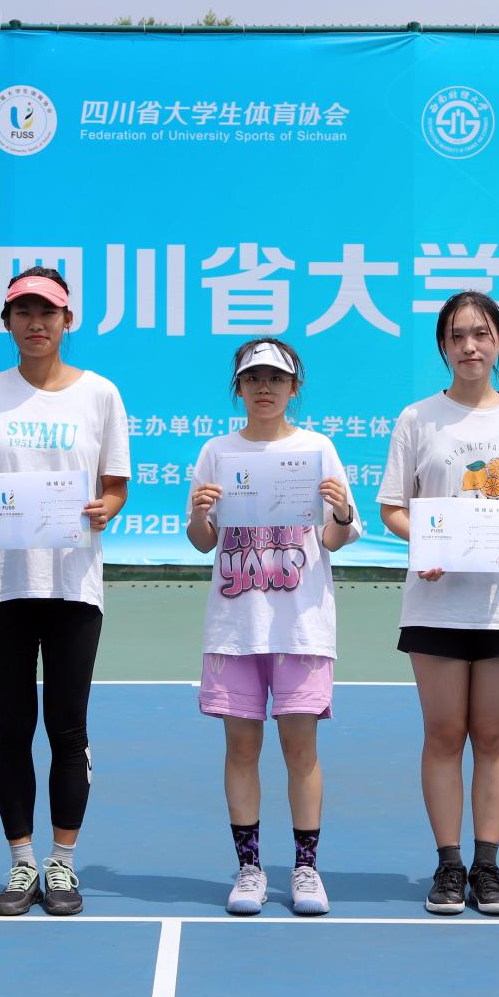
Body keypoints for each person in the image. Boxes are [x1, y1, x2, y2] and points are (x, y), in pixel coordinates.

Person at [0, 267, 131, 916]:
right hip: (4, 585)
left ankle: (63, 864)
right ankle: (22, 862)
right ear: (7, 322)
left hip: (74, 584)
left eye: (47, 312)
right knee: (13, 725)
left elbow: (115, 486)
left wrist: (105, 508)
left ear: (67, 320)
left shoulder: (100, 394)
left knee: (68, 727)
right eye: (22, 312)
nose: (35, 323)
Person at [378, 292, 499, 916]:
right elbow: (392, 506)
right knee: (445, 732)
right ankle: (449, 865)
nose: (469, 346)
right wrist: (424, 543)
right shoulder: (418, 418)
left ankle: (488, 865)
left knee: (495, 733)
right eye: (457, 336)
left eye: (481, 333)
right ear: (443, 347)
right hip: (435, 602)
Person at [185, 339, 359, 917]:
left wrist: (340, 511)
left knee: (300, 748)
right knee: (241, 747)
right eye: (253, 378)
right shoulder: (217, 452)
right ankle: (250, 868)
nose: (264, 388)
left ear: (293, 388)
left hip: (301, 626)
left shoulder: (317, 449)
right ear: (238, 388)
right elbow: (203, 542)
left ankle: (306, 869)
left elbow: (335, 538)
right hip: (236, 627)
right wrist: (200, 514)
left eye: (276, 379)